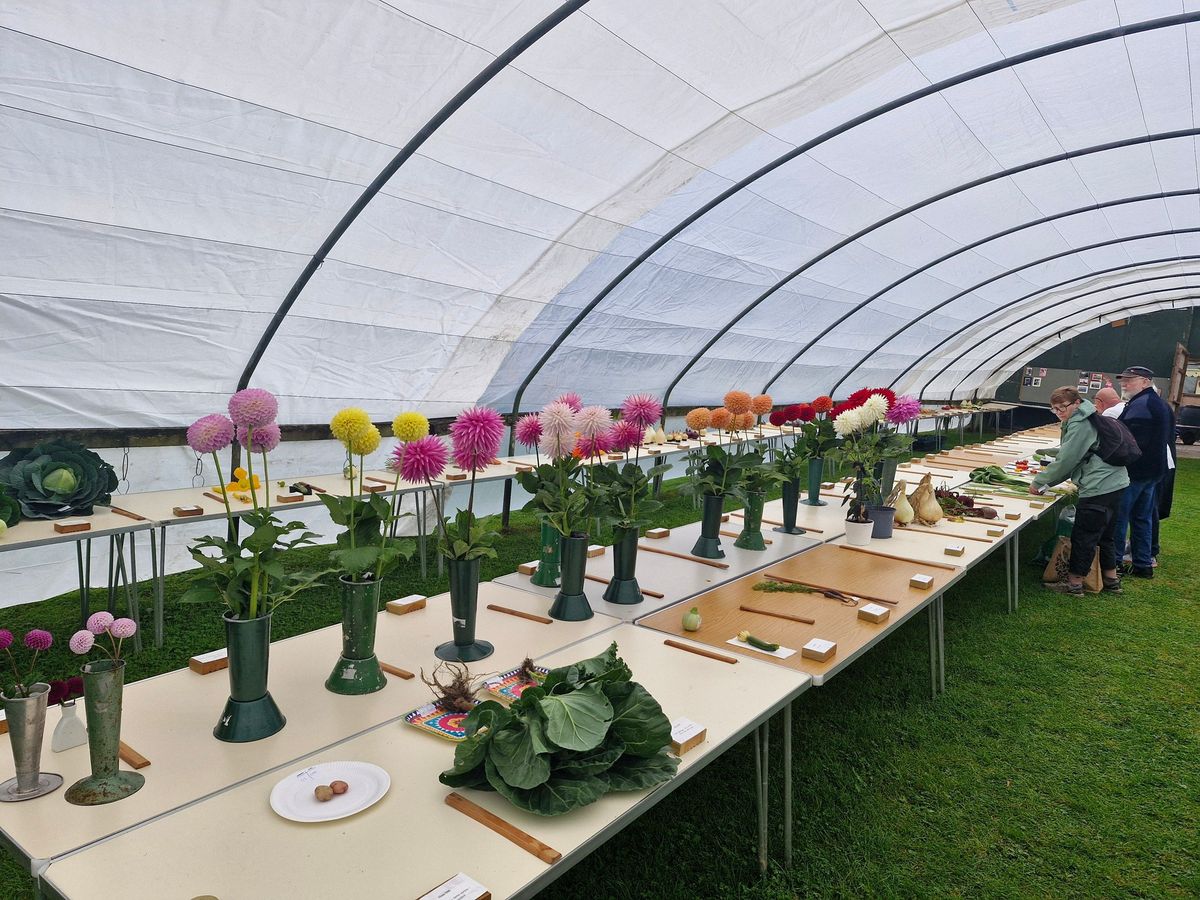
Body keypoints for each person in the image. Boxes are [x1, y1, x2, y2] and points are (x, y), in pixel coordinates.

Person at [1031, 387, 1129, 595]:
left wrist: (1040, 482)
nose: (1059, 412)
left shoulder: (1081, 423)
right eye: (1054, 409)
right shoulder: (1088, 416)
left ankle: (1074, 584)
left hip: (1099, 485)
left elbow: (1069, 459)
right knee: (1106, 534)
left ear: (1076, 403)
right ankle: (1111, 581)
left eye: (1062, 408)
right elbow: (1078, 449)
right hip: (1116, 482)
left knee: (1085, 535)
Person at [1113, 366, 1173, 578]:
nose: (1124, 383)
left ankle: (1115, 564)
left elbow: (1130, 442)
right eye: (1123, 379)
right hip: (1152, 471)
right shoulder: (1155, 403)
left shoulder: (1142, 405)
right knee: (1142, 518)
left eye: (1130, 380)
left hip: (1136, 472)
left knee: (1120, 517)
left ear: (1146, 382)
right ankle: (1142, 565)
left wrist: (1113, 459)